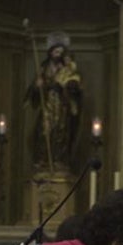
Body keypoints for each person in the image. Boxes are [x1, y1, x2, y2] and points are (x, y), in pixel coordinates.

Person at [26, 31, 81, 173]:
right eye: (55, 51)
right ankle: (43, 161)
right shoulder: (43, 68)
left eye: (60, 51)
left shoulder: (67, 69)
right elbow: (33, 90)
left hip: (62, 107)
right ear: (50, 52)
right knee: (44, 132)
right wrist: (38, 87)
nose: (58, 54)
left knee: (61, 133)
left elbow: (76, 86)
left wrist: (68, 87)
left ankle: (59, 161)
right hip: (47, 106)